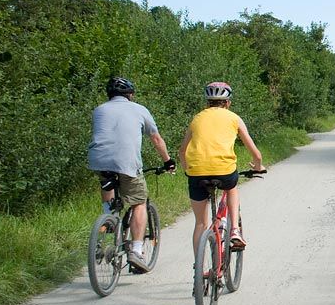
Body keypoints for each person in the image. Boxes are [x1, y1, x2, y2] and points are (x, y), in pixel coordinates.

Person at [87, 76, 176, 270]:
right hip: (127, 162)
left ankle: (108, 217)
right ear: (130, 95)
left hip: (99, 160)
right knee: (138, 203)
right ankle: (136, 250)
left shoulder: (99, 110)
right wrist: (168, 161)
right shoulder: (139, 109)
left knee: (107, 180)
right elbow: (156, 139)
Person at [178, 81, 265, 254]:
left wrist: (188, 169)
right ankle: (234, 231)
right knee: (231, 188)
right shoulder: (233, 118)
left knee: (201, 223)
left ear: (207, 103)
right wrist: (258, 166)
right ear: (228, 103)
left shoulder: (197, 118)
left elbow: (182, 151)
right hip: (224, 170)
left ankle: (199, 269)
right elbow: (256, 154)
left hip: (196, 173)